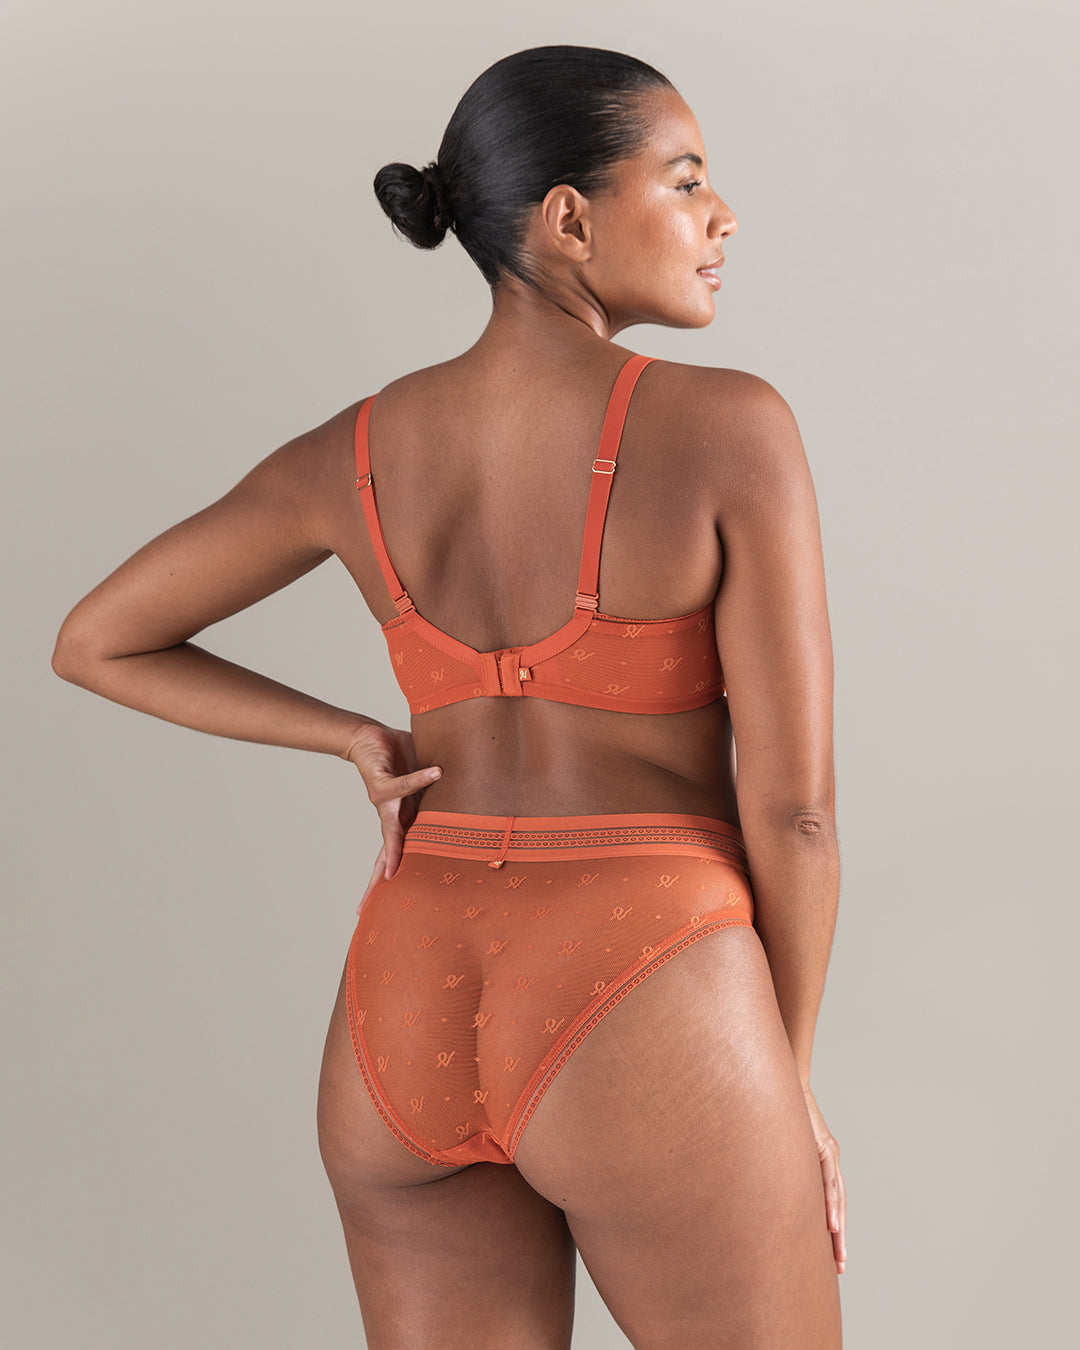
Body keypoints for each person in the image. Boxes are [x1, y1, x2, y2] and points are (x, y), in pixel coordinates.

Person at [52, 42, 845, 1350]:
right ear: (570, 219)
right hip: (645, 976)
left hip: (407, 995)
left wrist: (352, 739)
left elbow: (97, 640)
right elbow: (798, 810)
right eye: (687, 179)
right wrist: (786, 1080)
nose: (723, 217)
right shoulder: (732, 428)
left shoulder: (357, 448)